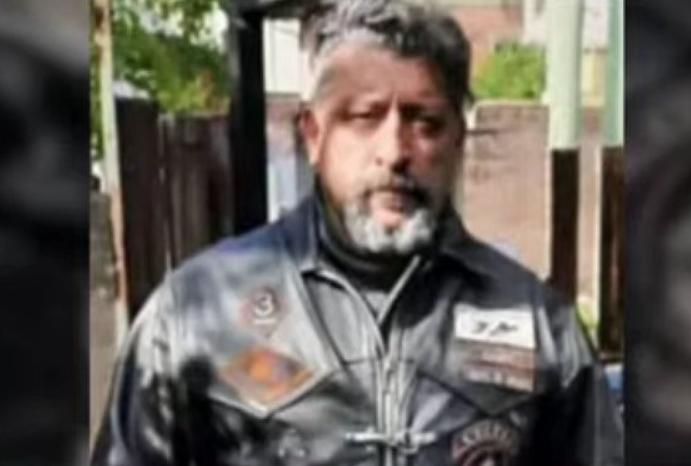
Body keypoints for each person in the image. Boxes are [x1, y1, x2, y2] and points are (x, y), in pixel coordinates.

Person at [92, 1, 623, 464]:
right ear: (313, 135)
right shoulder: (197, 313)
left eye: (425, 122)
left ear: (459, 140)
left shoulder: (540, 326)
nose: (395, 152)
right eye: (365, 117)